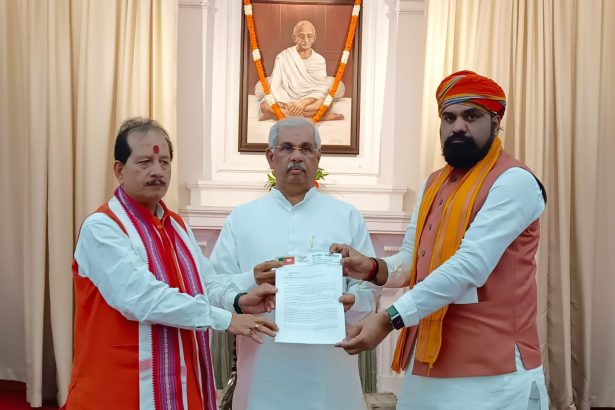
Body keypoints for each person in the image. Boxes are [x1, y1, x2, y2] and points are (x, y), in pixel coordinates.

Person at [331, 70, 550, 409]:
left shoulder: (514, 182)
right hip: (429, 364)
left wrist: (389, 318)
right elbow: (412, 259)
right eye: (449, 118)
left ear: (496, 122)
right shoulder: (433, 183)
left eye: (471, 116)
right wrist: (372, 267)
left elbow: (469, 266)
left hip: (495, 374)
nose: (457, 126)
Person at [65, 118, 278, 410]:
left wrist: (241, 296)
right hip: (119, 384)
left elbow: (205, 283)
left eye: (164, 162)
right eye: (145, 162)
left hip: (177, 377)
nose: (157, 171)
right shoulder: (102, 227)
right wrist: (226, 320)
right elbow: (143, 298)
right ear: (119, 170)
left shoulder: (175, 225)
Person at [209, 117, 380, 410]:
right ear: (270, 157)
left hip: (330, 370)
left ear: (318, 157)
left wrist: (354, 301)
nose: (297, 156)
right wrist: (251, 281)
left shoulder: (347, 216)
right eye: (287, 148)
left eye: (306, 148)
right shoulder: (242, 218)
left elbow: (370, 286)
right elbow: (213, 287)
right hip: (263, 367)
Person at [259, 20, 344, 121]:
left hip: (309, 101)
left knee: (328, 102)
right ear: (294, 37)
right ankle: (319, 117)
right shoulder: (283, 57)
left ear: (314, 38)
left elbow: (321, 89)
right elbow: (275, 86)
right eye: (301, 36)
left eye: (309, 36)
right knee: (265, 106)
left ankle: (280, 115)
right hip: (287, 100)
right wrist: (289, 104)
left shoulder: (319, 60)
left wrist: (302, 104)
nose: (306, 40)